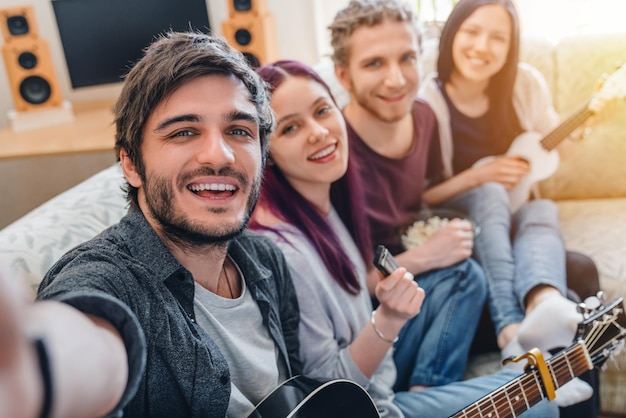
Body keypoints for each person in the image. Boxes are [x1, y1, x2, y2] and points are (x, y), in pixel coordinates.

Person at [0, 31, 302, 418]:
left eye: (239, 131)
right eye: (184, 132)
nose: (219, 154)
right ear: (131, 165)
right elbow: (92, 341)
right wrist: (36, 371)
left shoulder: (267, 259)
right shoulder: (111, 279)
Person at [250, 58, 557, 418]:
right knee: (541, 404)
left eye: (322, 111)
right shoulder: (290, 253)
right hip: (364, 405)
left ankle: (427, 389)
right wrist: (389, 319)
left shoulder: (329, 203)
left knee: (466, 277)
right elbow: (329, 394)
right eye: (290, 129)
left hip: (383, 372)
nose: (317, 131)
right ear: (266, 154)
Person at [417, 0, 600, 410]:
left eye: (498, 37)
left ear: (512, 45)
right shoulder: (427, 100)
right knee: (494, 195)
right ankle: (511, 334)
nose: (483, 46)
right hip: (463, 225)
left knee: (542, 211)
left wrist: (584, 125)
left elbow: (549, 148)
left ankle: (543, 302)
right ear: (451, 34)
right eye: (472, 32)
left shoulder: (526, 84)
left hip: (516, 224)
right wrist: (480, 176)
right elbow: (421, 196)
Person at [329, 0, 492, 393]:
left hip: (419, 281)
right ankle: (427, 395)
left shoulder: (424, 116)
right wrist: (427, 255)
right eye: (373, 64)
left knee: (574, 282)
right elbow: (342, 285)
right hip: (374, 308)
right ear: (343, 76)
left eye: (407, 58)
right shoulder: (331, 152)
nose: (396, 80)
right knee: (465, 276)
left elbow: (421, 196)